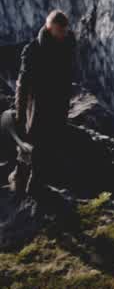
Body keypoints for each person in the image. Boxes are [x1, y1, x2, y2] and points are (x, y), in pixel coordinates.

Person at [8, 10, 77, 196]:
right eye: (59, 31)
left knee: (50, 145)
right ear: (49, 27)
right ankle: (19, 180)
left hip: (59, 103)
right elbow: (22, 85)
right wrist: (20, 112)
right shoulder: (33, 51)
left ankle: (36, 185)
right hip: (37, 105)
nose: (62, 34)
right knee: (30, 143)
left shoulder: (69, 42)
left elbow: (69, 71)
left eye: (64, 30)